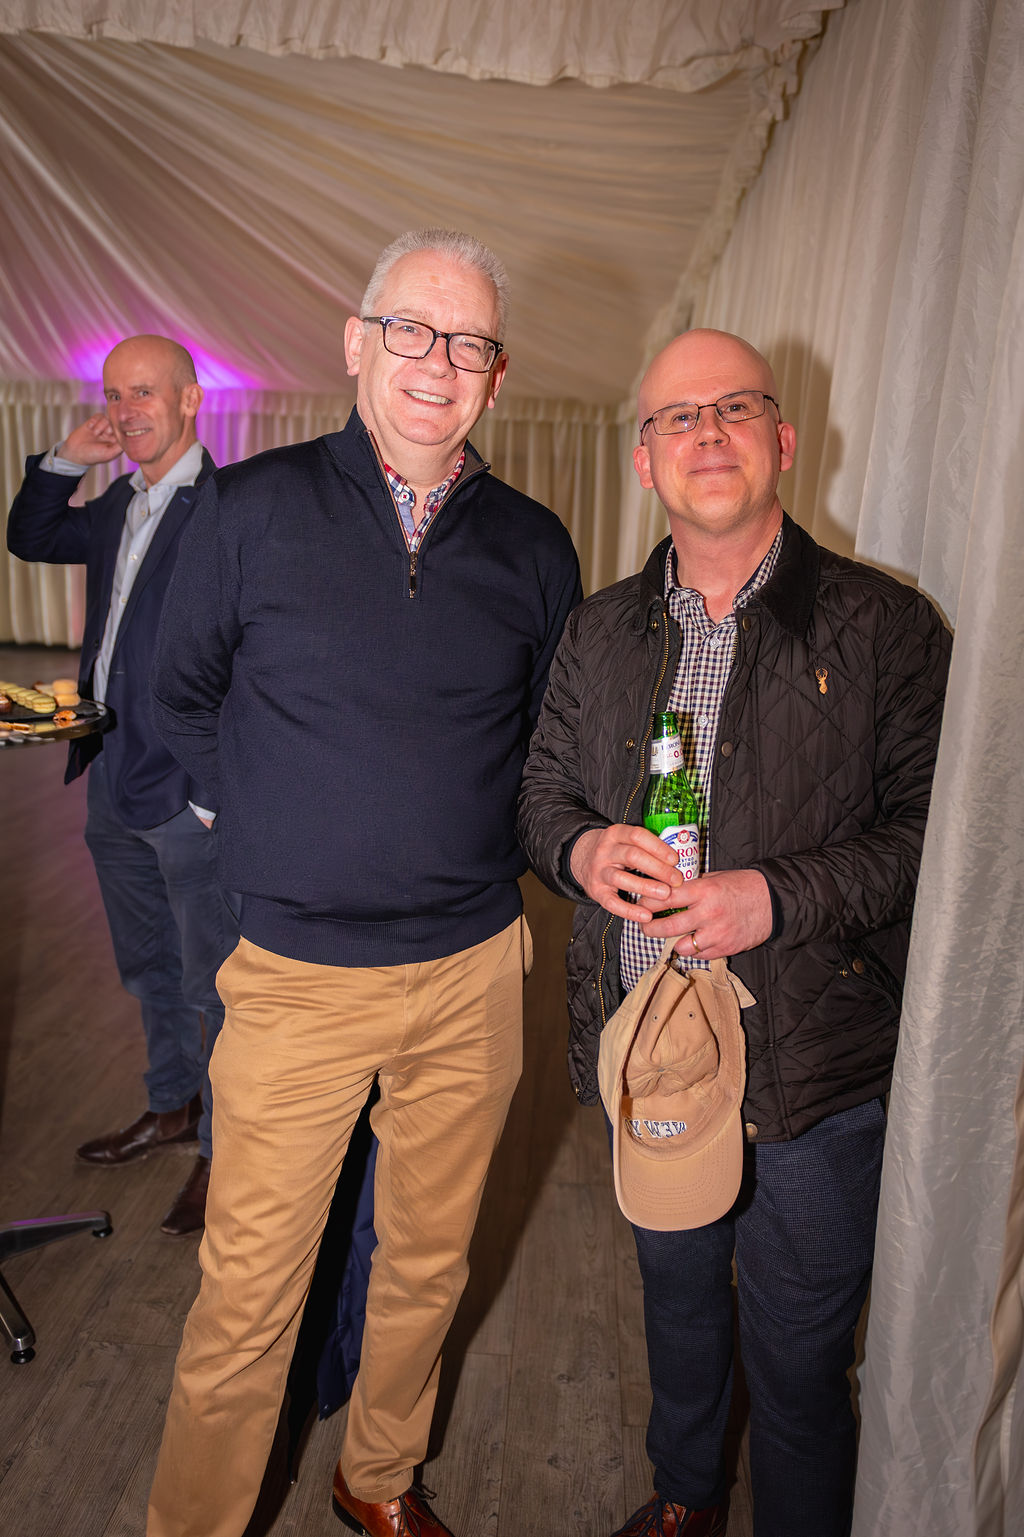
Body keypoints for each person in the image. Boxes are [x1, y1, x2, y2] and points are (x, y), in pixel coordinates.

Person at [145, 229, 582, 1537]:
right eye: (412, 330)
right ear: (357, 342)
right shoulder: (249, 508)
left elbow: (543, 742)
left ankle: (376, 1474)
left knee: (429, 1261)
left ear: (496, 376)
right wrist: (274, 820)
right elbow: (176, 692)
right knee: (248, 1293)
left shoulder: (535, 547)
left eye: (469, 343)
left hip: (473, 972)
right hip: (296, 981)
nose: (437, 362)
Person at [517, 328, 952, 1537]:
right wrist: (578, 850)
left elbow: (936, 838)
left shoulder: (886, 626)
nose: (706, 432)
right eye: (677, 416)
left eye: (734, 408)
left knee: (802, 1369)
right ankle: (686, 1499)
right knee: (677, 1307)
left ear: (782, 440)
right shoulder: (598, 630)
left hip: (815, 1070)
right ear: (645, 459)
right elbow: (540, 794)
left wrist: (778, 896)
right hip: (652, 1050)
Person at [6, 335, 238, 1237]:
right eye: (113, 393)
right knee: (148, 967)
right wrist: (68, 457)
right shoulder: (114, 505)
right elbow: (30, 536)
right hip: (107, 772)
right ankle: (172, 1105)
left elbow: (255, 657)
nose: (126, 409)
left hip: (186, 790)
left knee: (212, 982)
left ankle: (224, 1149)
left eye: (144, 391)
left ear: (190, 399)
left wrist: (212, 792)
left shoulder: (228, 508)